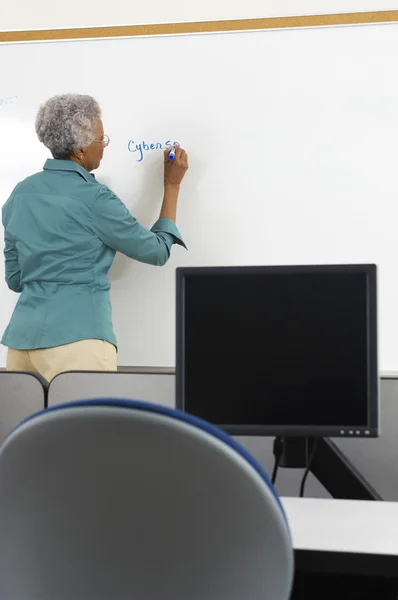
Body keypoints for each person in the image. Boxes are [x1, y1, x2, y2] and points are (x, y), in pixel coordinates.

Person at [1, 93, 188, 382]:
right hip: (78, 344)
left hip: (20, 346)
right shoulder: (94, 198)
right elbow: (157, 251)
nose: (104, 147)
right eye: (101, 140)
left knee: (25, 429)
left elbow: (15, 280)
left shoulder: (20, 194)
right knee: (87, 430)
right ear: (79, 149)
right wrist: (171, 185)